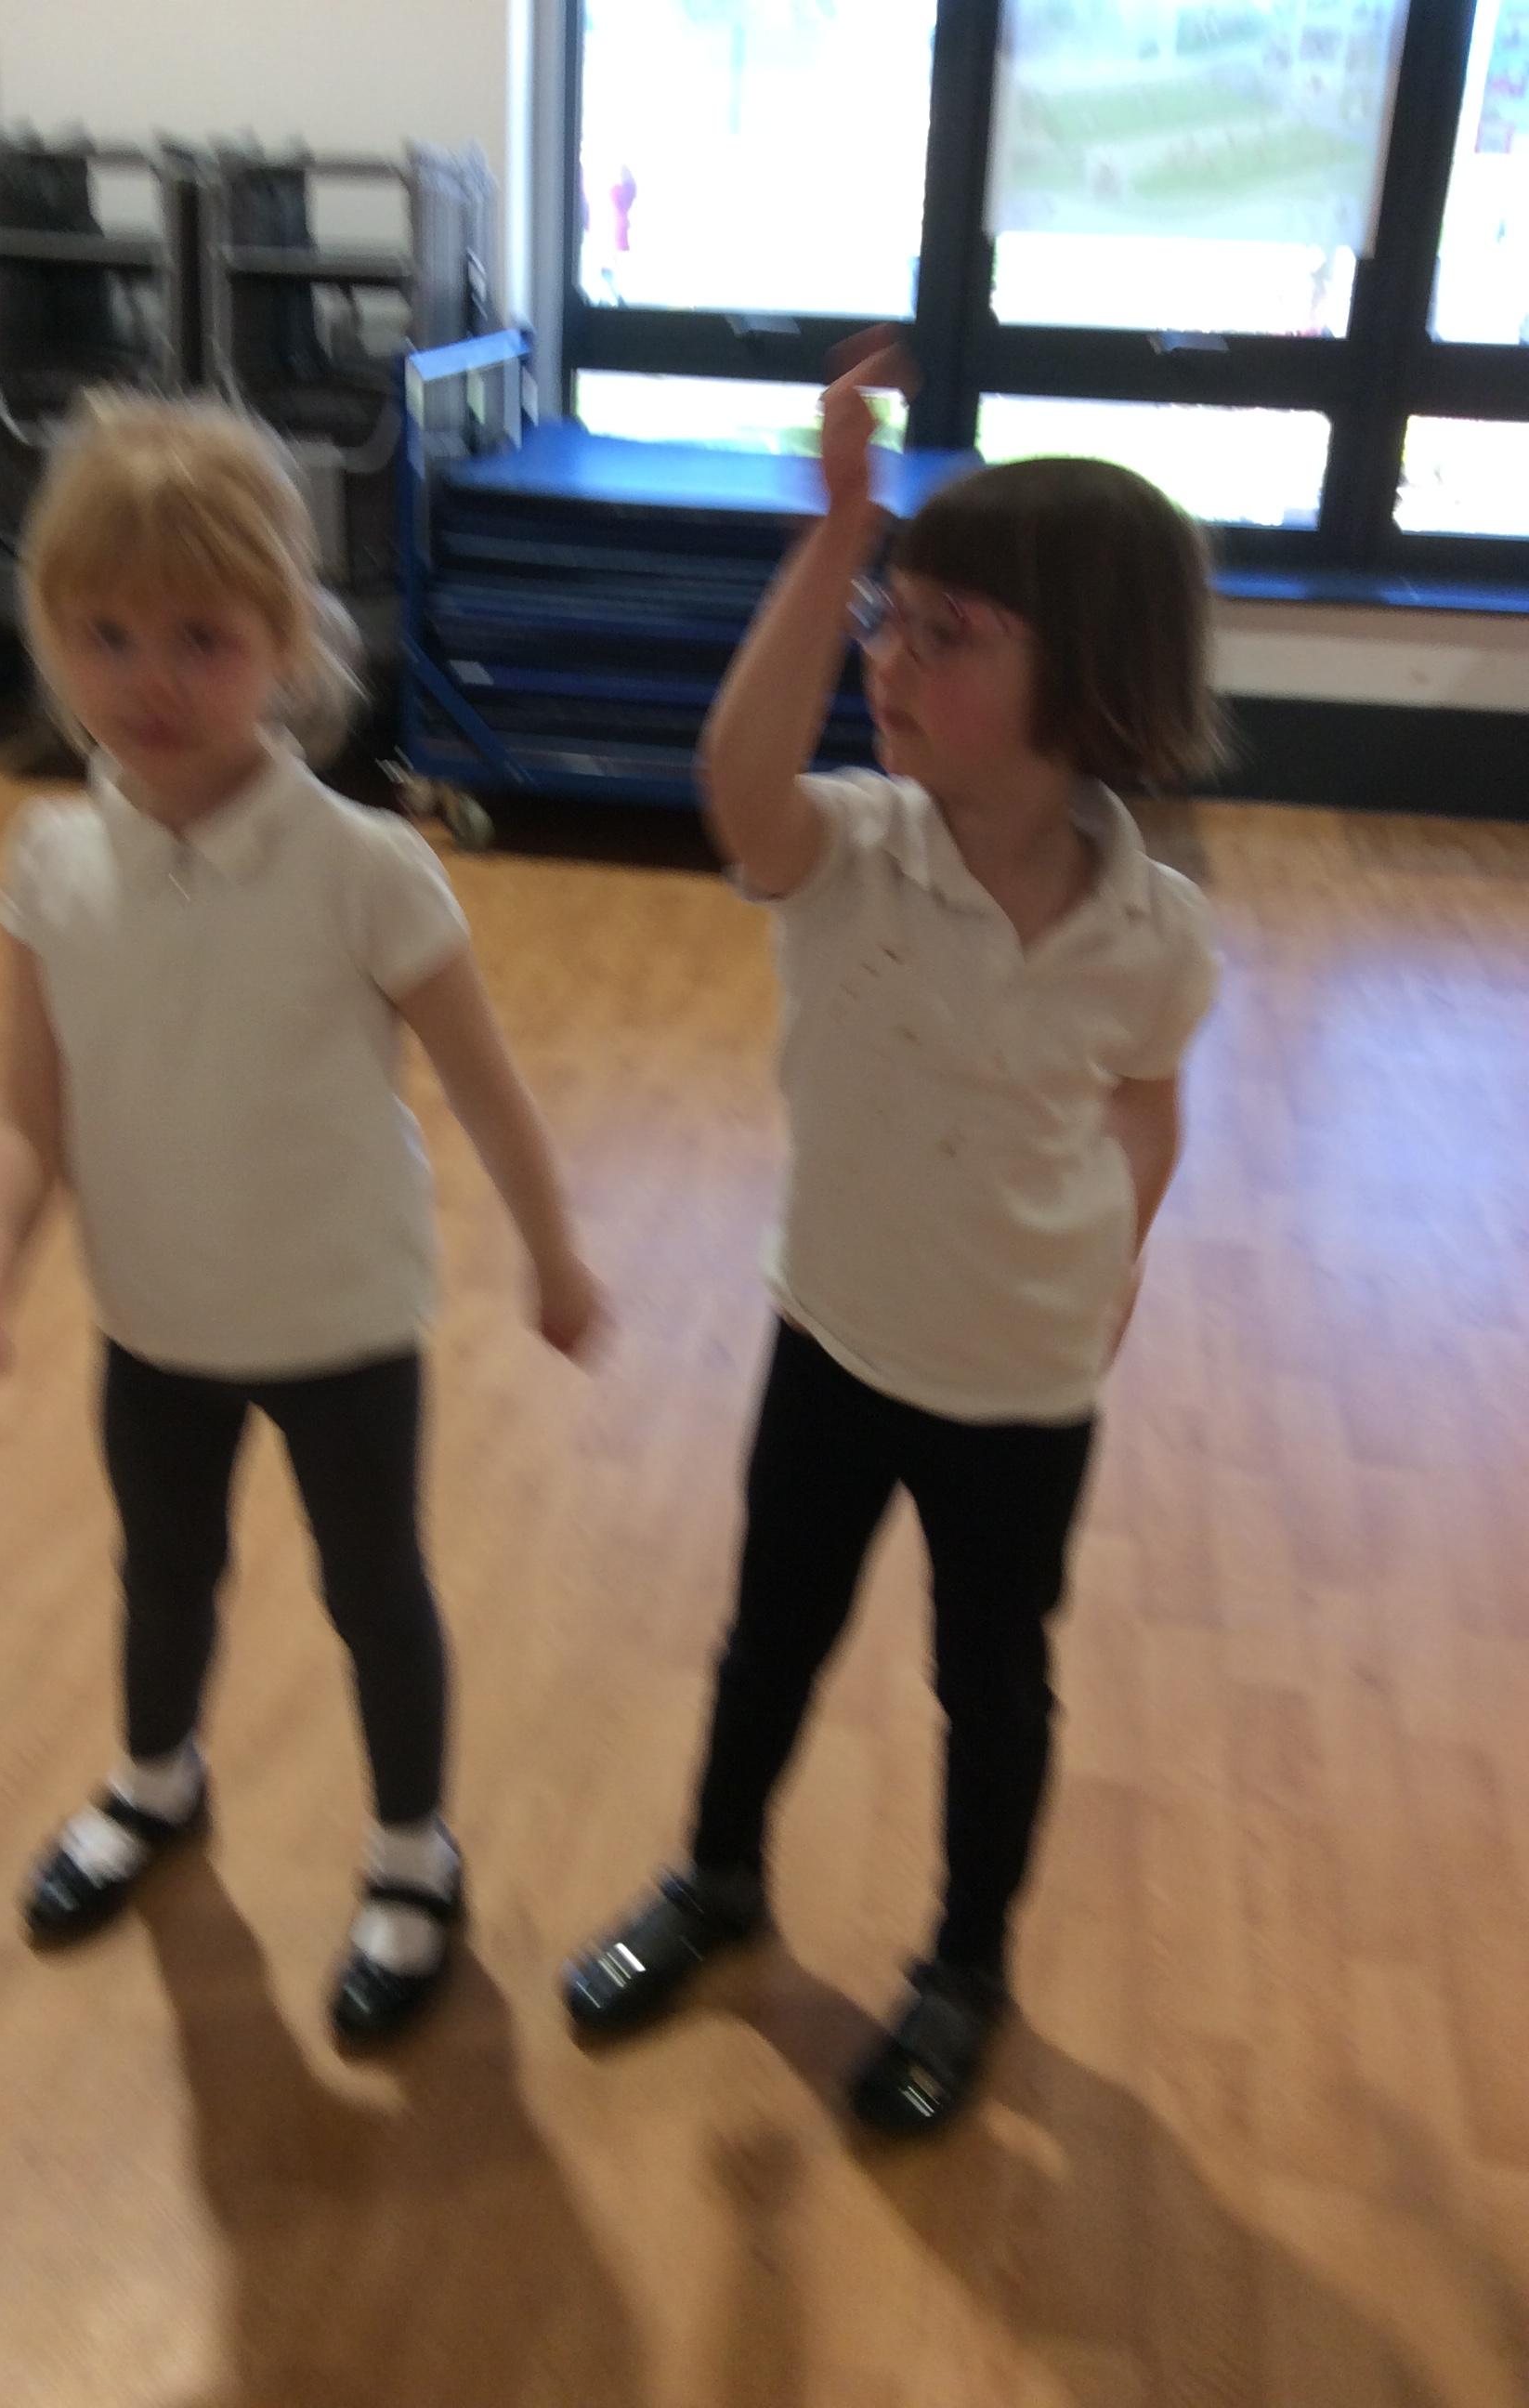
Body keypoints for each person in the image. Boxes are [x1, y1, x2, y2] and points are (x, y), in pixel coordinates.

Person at [562, 334, 1222, 2134]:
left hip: (1019, 1381)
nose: (891, 660)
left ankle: (964, 1968)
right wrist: (838, 532)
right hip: (836, 1334)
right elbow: (736, 777)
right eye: (891, 621)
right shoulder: (847, 850)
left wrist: (1121, 1253)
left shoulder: (1155, 930)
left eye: (949, 633)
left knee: (989, 1682)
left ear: (1088, 682)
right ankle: (715, 1880)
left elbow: (1146, 1099)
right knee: (768, 1636)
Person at [0, 395, 600, 2041]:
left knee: (374, 1591)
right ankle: (156, 1779)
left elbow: (490, 1090)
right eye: (107, 634)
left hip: (341, 1319)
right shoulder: (49, 860)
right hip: (156, 1319)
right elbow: (24, 1116)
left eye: (201, 638)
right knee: (165, 1572)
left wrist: (557, 1257)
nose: (149, 677)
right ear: (52, 634)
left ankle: (414, 1853)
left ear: (286, 643)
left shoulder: (364, 868)